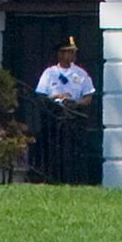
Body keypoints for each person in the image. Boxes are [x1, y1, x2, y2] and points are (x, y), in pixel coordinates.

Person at [32, 45, 98, 182]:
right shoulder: (49, 73)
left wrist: (75, 103)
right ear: (60, 54)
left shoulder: (80, 74)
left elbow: (88, 96)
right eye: (68, 52)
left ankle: (73, 178)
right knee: (52, 150)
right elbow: (41, 96)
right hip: (53, 117)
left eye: (73, 52)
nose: (72, 55)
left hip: (73, 116)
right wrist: (58, 96)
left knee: (72, 151)